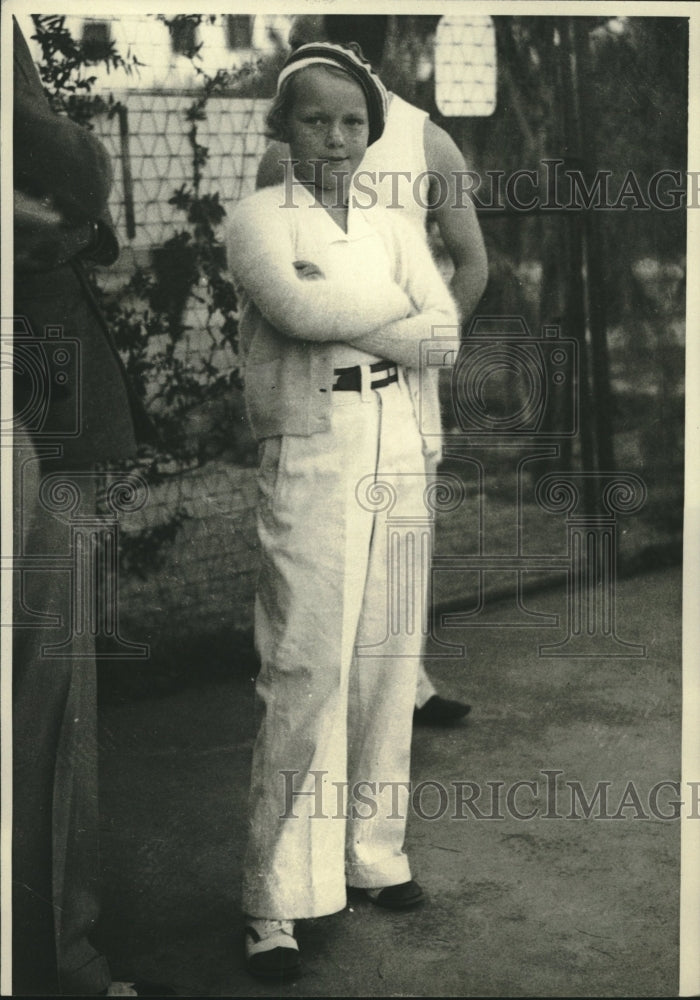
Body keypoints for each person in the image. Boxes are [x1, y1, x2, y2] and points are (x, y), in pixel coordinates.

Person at [226, 42, 460, 979]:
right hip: (314, 445)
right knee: (306, 663)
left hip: (396, 438)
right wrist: (396, 319)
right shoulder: (258, 218)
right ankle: (275, 898)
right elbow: (296, 312)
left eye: (353, 121)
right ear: (282, 127)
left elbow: (444, 334)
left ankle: (372, 852)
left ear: (373, 131)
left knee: (387, 658)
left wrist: (365, 312)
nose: (335, 137)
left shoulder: (395, 223)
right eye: (316, 119)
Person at [256, 13, 489, 727]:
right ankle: (318, 717)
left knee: (396, 558)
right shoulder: (288, 149)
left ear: (368, 51)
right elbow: (275, 276)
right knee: (317, 578)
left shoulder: (428, 140)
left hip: (402, 387)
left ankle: (403, 691)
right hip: (317, 391)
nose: (336, 135)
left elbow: (473, 264)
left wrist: (420, 344)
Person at [11, 18, 167, 996]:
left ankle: (51, 955)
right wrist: (69, 209)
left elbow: (64, 203)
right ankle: (51, 960)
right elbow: (66, 173)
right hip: (38, 414)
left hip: (49, 405)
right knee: (43, 694)